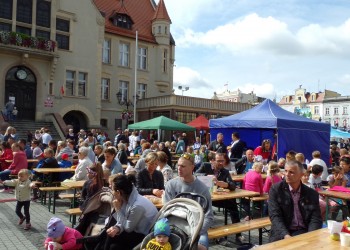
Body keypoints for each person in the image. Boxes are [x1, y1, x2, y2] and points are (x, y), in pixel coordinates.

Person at [164, 153, 214, 250]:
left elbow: (209, 217)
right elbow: (166, 211)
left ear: (192, 167)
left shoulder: (202, 189)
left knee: (201, 248)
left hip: (196, 228)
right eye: (178, 165)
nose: (179, 168)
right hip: (175, 226)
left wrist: (195, 232)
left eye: (183, 166)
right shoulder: (171, 185)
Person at [268, 160, 322, 242]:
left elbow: (315, 218)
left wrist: (311, 236)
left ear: (301, 174)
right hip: (283, 232)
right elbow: (275, 215)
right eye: (286, 171)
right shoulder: (276, 190)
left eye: (291, 172)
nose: (287, 174)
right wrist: (286, 235)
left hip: (304, 232)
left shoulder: (311, 193)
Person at [196, 152, 243, 243]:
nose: (221, 163)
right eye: (219, 161)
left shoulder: (224, 171)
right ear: (212, 161)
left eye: (222, 161)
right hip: (203, 198)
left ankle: (238, 234)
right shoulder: (206, 166)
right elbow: (195, 175)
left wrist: (224, 184)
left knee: (233, 204)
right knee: (201, 210)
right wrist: (206, 176)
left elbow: (233, 185)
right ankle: (201, 233)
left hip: (217, 198)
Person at [104, 174, 158, 249]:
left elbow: (128, 228)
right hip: (134, 231)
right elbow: (123, 220)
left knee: (112, 243)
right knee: (110, 235)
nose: (112, 192)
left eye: (112, 190)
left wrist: (118, 210)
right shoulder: (127, 198)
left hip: (145, 236)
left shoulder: (137, 205)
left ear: (119, 192)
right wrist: (117, 228)